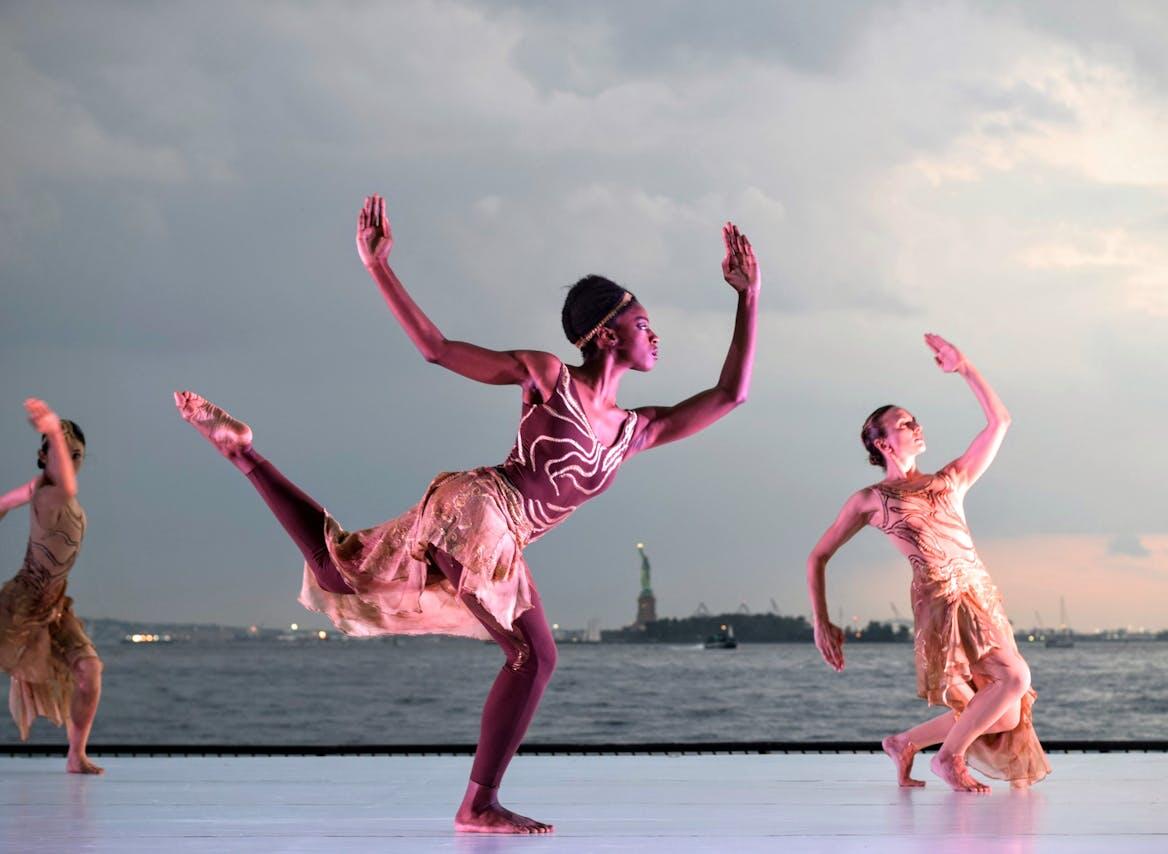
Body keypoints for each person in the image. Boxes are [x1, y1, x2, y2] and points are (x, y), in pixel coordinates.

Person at [175, 194, 760, 832]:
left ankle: (243, 453)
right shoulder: (548, 376)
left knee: (341, 572)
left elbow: (731, 394)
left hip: (490, 526)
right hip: (480, 508)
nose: (656, 335)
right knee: (534, 657)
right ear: (606, 334)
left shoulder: (634, 429)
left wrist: (747, 297)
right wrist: (378, 267)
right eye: (644, 324)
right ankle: (478, 804)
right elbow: (436, 348)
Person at [805, 334, 1050, 792]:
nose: (917, 427)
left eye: (916, 421)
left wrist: (965, 367)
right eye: (905, 423)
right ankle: (948, 758)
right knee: (1015, 678)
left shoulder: (951, 479)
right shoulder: (871, 499)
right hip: (942, 602)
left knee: (1004, 713)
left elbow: (1000, 421)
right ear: (882, 442)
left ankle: (905, 743)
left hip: (981, 595)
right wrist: (821, 621)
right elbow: (818, 555)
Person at [0, 398, 103, 774]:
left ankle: (76, 756)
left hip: (55, 604)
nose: (69, 461)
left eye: (77, 455)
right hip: (21, 602)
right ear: (43, 457)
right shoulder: (48, 492)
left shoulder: (57, 495)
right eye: (61, 453)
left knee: (89, 670)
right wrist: (53, 430)